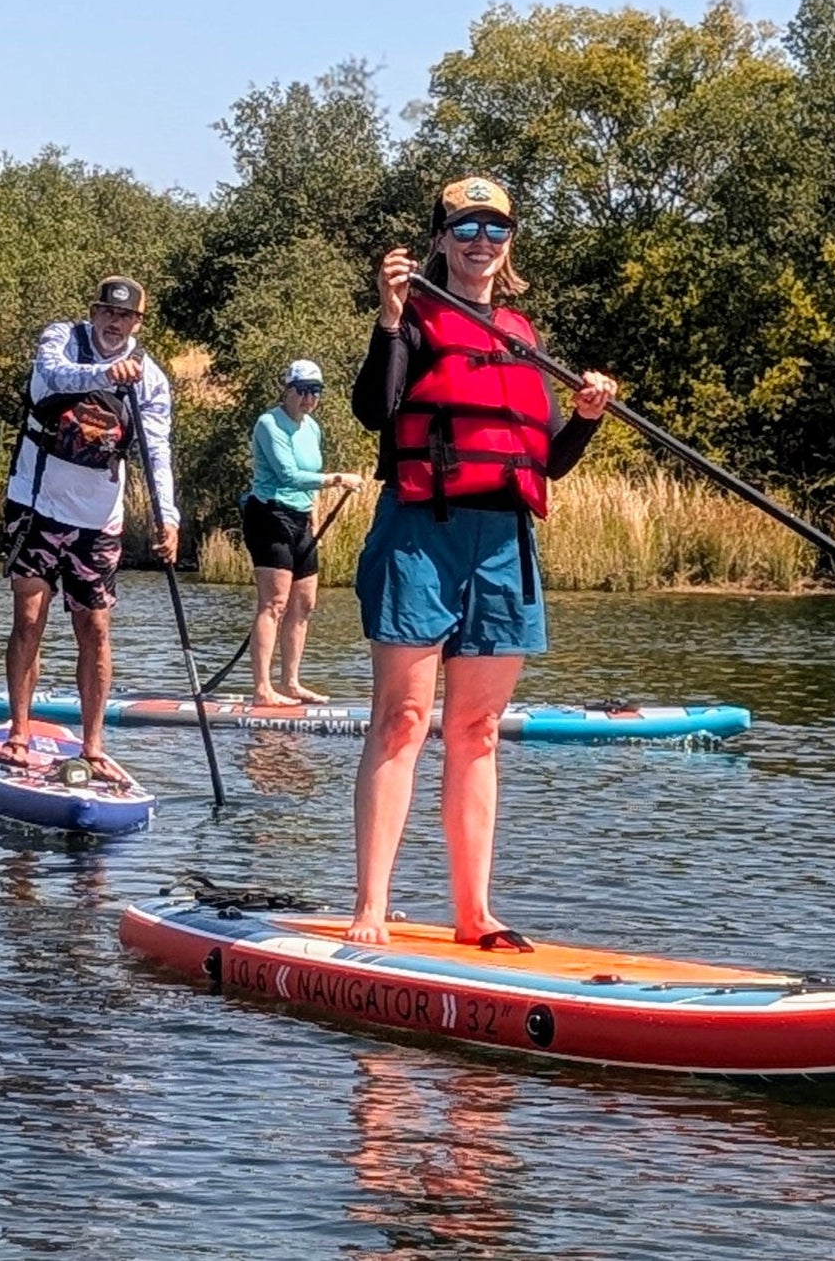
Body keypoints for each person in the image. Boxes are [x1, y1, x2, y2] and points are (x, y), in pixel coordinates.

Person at [346, 176, 617, 946]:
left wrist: (590, 417)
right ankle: (371, 906)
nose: (480, 242)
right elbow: (377, 409)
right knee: (401, 721)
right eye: (465, 228)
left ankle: (475, 914)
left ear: (510, 243)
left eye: (495, 229)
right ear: (440, 239)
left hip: (504, 544)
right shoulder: (418, 317)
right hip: (422, 531)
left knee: (478, 730)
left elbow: (550, 462)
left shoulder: (522, 334)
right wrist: (390, 319)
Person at [0, 276, 178, 780]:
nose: (114, 323)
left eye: (125, 317)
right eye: (106, 313)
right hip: (36, 503)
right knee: (30, 617)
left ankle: (93, 747)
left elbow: (156, 451)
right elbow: (51, 376)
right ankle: (18, 732)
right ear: (93, 312)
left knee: (94, 628)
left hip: (98, 518)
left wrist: (169, 517)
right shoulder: (61, 339)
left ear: (138, 323)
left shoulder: (151, 378)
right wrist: (103, 372)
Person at [241, 358, 365, 706]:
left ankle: (291, 682)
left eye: (316, 391)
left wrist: (311, 513)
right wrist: (337, 479)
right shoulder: (269, 423)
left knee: (305, 602)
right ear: (288, 389)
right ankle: (263, 689)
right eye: (303, 391)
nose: (309, 398)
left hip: (300, 520)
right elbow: (287, 474)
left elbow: (307, 481)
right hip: (269, 515)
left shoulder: (312, 428)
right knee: (274, 603)